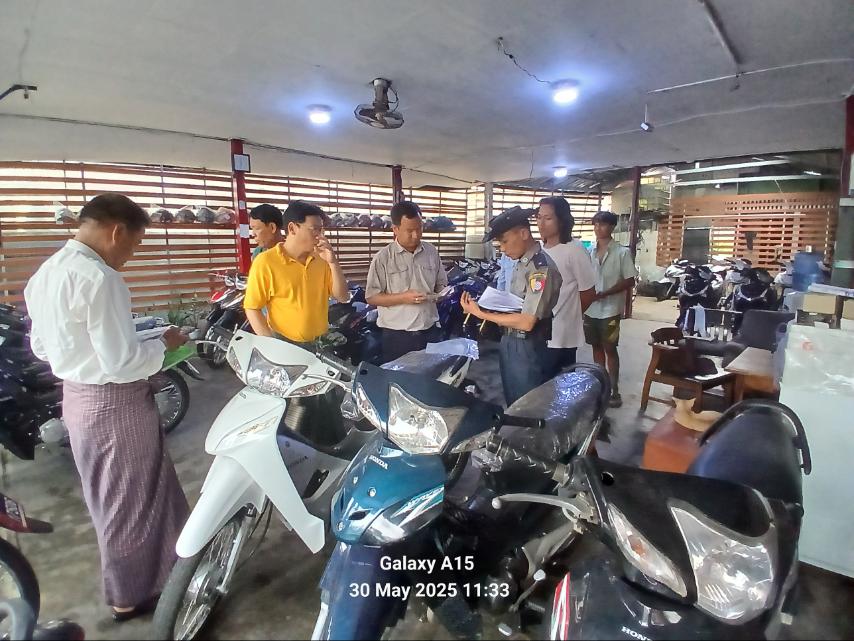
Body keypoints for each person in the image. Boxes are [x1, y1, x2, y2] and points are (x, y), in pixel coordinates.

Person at [24, 193, 189, 621]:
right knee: (131, 500)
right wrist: (164, 345)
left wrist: (111, 350)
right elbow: (121, 363)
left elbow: (42, 348)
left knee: (111, 495)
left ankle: (164, 575)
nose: (130, 257)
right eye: (134, 245)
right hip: (116, 404)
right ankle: (128, 595)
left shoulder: (45, 273)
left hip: (78, 399)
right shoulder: (101, 278)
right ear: (118, 231)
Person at [461, 206, 562, 405]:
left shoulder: (540, 269)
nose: (502, 248)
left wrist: (480, 313)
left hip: (527, 346)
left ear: (523, 234)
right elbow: (515, 305)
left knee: (526, 406)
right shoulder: (522, 263)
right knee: (512, 401)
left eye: (504, 241)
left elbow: (527, 322)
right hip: (510, 340)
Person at [244, 200, 349, 345]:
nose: (320, 236)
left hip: (319, 343)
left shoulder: (321, 258)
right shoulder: (265, 262)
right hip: (285, 343)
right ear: (292, 228)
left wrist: (333, 263)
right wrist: (271, 344)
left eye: (321, 230)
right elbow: (252, 307)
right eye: (314, 229)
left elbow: (342, 296)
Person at [366, 201, 449, 363]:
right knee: (399, 377)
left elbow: (442, 285)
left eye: (419, 229)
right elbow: (372, 297)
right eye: (410, 231)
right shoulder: (383, 258)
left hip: (429, 332)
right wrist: (403, 297)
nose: (416, 235)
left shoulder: (431, 252)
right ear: (395, 229)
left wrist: (439, 295)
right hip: (397, 337)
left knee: (430, 375)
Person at [536, 196, 597, 370]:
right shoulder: (538, 249)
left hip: (562, 335)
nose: (541, 224)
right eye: (539, 217)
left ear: (562, 221)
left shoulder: (574, 250)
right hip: (539, 332)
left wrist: (569, 314)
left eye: (548, 218)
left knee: (561, 381)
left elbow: (588, 293)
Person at [584, 210, 637, 408]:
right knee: (595, 347)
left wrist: (605, 293)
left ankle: (614, 390)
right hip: (591, 309)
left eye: (603, 224)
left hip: (610, 310)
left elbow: (629, 280)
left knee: (610, 348)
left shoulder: (622, 252)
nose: (598, 228)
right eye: (596, 224)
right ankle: (600, 386)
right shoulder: (589, 251)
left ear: (612, 227)